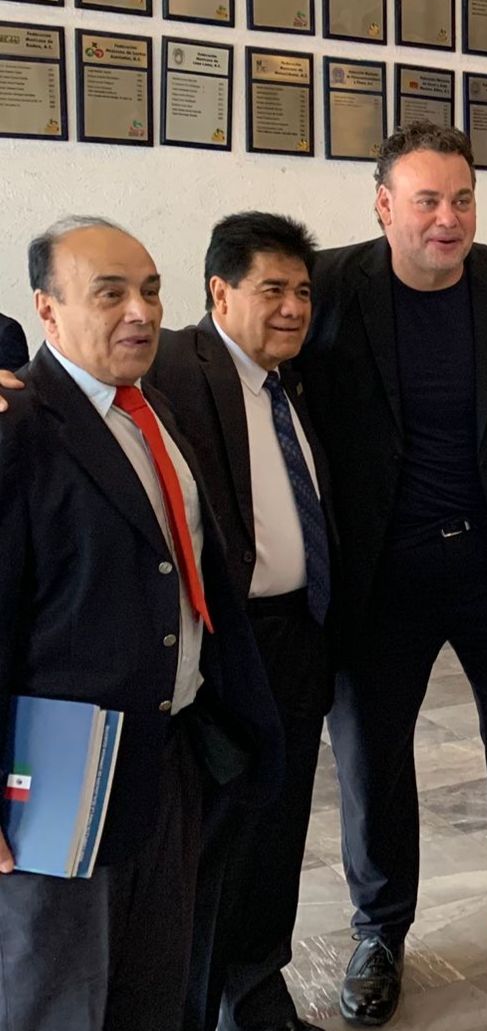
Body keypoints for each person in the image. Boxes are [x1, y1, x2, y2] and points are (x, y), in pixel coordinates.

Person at [296, 123, 487, 1026]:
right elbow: (228, 351)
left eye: (462, 199)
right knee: (371, 758)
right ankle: (380, 930)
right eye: (426, 200)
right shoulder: (326, 286)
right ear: (384, 206)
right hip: (380, 572)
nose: (447, 219)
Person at [0, 217, 281, 1030]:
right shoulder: (18, 425)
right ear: (47, 308)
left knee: (154, 986)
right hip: (56, 777)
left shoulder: (153, 409)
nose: (142, 312)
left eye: (152, 291)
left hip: (166, 756)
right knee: (59, 996)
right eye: (110, 293)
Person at [148, 212, 332, 1031]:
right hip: (227, 647)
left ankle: (256, 992)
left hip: (298, 637)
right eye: (272, 289)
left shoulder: (289, 383)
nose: (293, 308)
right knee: (217, 838)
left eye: (303, 291)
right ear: (220, 293)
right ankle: (197, 1005)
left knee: (278, 827)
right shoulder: (178, 365)